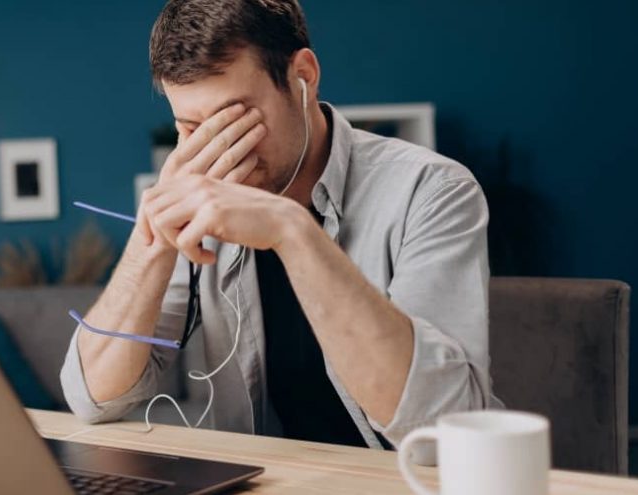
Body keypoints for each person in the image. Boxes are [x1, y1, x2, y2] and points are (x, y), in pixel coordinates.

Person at [60, 0, 500, 463]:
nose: (220, 152)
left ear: (303, 77)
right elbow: (94, 399)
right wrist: (152, 240)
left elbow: (441, 427)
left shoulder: (432, 190)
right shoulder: (199, 204)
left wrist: (290, 229)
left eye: (236, 120)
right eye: (191, 130)